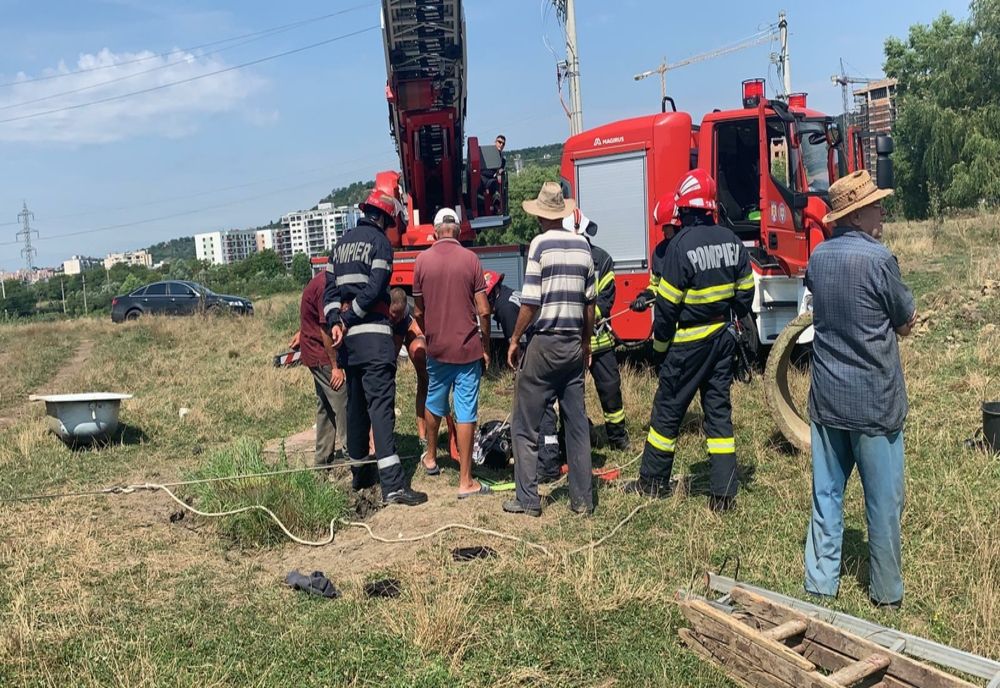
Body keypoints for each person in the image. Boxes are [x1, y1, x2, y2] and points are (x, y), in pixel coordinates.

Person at [803, 170, 915, 609]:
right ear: (855, 216)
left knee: (826, 496)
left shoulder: (818, 258)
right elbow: (904, 323)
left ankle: (820, 584)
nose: (881, 211)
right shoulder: (880, 260)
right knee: (883, 502)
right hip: (874, 404)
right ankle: (886, 593)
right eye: (875, 206)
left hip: (828, 399)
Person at [624, 169, 754, 511]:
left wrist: (660, 348)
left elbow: (667, 309)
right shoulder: (732, 240)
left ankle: (652, 483)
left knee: (668, 410)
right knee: (718, 412)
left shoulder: (681, 246)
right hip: (723, 339)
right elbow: (745, 295)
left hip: (688, 343)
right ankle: (723, 494)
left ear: (686, 208)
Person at [324, 189, 427, 506]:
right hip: (374, 341)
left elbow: (329, 292)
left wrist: (336, 321)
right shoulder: (380, 243)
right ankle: (393, 486)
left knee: (356, 409)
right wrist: (350, 317)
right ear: (383, 218)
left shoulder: (339, 245)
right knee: (381, 410)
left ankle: (361, 474)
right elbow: (377, 286)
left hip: (349, 346)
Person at [504, 182, 596, 517]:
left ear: (541, 216)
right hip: (573, 344)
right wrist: (585, 342)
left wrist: (515, 338)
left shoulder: (539, 245)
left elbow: (530, 301)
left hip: (544, 344)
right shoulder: (584, 247)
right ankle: (583, 501)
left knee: (524, 425)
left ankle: (528, 500)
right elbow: (590, 304)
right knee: (577, 425)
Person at [537, 208, 629, 479]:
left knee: (610, 390)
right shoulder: (558, 256)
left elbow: (605, 299)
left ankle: (618, 437)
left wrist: (583, 319)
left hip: (599, 340)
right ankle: (568, 441)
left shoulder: (603, 259)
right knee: (568, 396)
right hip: (570, 344)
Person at [412, 208, 493, 499]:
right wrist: (486, 346)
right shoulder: (470, 260)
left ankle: (431, 457)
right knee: (466, 411)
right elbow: (484, 310)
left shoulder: (422, 261)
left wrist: (429, 332)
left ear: (435, 231)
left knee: (434, 401)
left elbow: (418, 311)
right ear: (458, 230)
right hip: (467, 349)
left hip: (437, 348)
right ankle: (466, 480)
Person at [299, 265, 347, 465]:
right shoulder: (324, 286)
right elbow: (326, 329)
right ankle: (352, 454)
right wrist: (335, 367)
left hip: (315, 348)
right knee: (343, 397)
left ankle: (322, 460)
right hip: (320, 352)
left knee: (326, 405)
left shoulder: (327, 280)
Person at [630, 195, 682, 313]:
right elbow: (656, 285)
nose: (663, 230)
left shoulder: (689, 248)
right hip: (668, 318)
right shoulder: (659, 252)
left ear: (676, 224)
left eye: (666, 226)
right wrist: (645, 298)